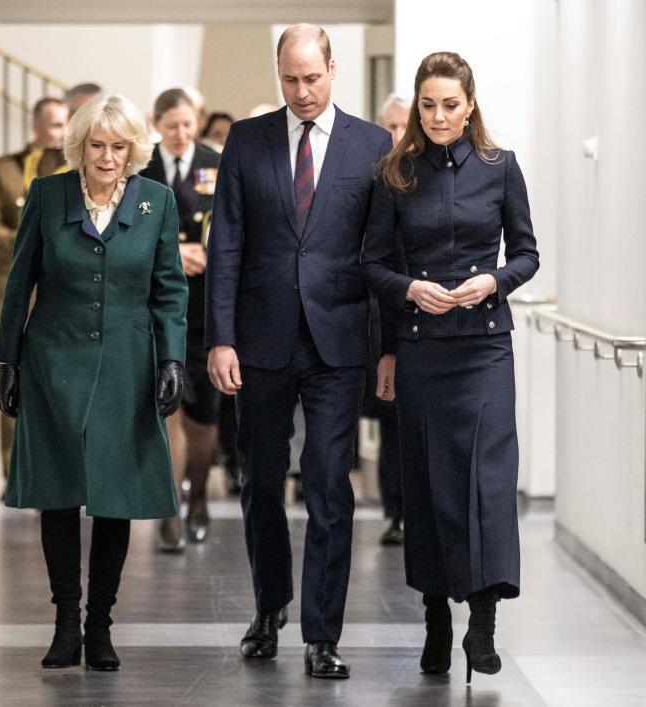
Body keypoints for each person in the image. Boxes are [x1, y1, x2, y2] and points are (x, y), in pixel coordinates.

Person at [205, 24, 392, 679]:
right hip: (259, 338)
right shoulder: (247, 141)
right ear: (277, 75)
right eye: (290, 79)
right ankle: (269, 606)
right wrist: (220, 337)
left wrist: (387, 346)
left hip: (339, 341)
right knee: (260, 480)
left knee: (328, 484)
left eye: (312, 78)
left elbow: (385, 253)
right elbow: (225, 242)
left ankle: (322, 633)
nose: (302, 91)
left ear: (333, 70)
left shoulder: (373, 145)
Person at [0, 94, 187, 671]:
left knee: (114, 496)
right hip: (53, 360)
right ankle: (64, 624)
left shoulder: (158, 201)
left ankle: (99, 625)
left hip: (128, 364)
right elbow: (19, 278)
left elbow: (170, 287)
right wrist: (7, 361)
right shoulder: (50, 196)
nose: (107, 157)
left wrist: (173, 360)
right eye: (97, 145)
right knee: (58, 491)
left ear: (134, 149)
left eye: (119, 146)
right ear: (79, 145)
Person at [362, 51, 539, 683]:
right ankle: (437, 620)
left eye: (451, 105)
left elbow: (527, 254)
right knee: (431, 486)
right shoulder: (395, 174)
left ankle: (483, 627)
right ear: (417, 106)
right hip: (420, 349)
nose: (439, 116)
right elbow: (372, 266)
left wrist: (493, 280)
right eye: (429, 105)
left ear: (470, 106)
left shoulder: (500, 168)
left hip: (484, 348)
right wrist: (409, 290)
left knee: (488, 484)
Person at [141, 88, 222, 552]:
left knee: (203, 415)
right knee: (165, 408)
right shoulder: (141, 165)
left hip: (206, 304)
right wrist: (172, 252)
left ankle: (199, 501)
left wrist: (205, 254)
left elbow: (235, 231)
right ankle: (169, 511)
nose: (180, 134)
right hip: (156, 306)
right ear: (157, 122)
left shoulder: (217, 162)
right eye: (171, 125)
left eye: (188, 125)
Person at [0, 96, 69, 485]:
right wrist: (31, 242)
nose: (56, 132)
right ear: (35, 124)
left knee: (62, 384)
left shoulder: (79, 169)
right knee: (14, 379)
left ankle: (60, 471)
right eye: (50, 123)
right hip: (12, 285)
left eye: (63, 124)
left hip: (64, 289)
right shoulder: (4, 169)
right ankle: (16, 473)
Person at [366, 91, 413, 546]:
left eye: (403, 126)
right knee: (390, 423)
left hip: (424, 316)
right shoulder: (377, 177)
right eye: (390, 127)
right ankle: (395, 512)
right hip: (382, 320)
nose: (396, 136)